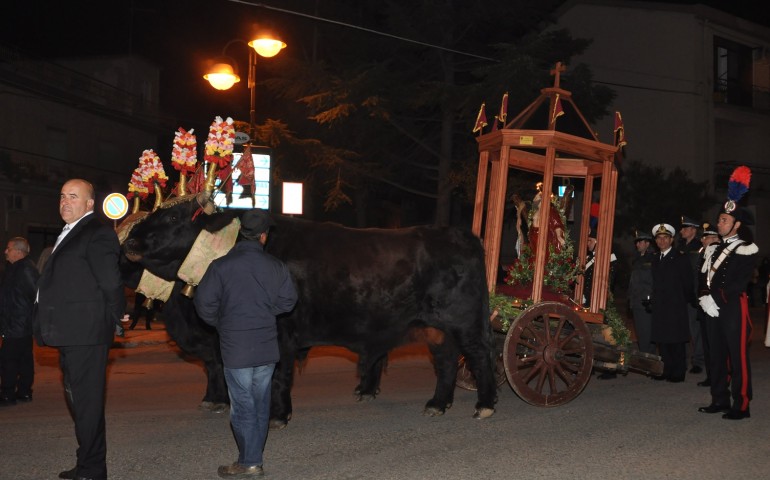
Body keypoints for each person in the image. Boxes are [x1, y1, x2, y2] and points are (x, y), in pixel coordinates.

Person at [194, 209, 298, 478]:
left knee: (242, 405)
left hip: (236, 346)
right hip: (265, 346)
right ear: (263, 236)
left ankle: (249, 461)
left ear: (242, 233)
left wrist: (222, 322)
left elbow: (204, 304)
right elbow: (289, 301)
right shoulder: (276, 266)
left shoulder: (220, 266)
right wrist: (265, 311)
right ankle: (253, 456)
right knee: (260, 402)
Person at [35, 179, 125, 480]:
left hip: (85, 333)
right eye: (62, 196)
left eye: (73, 196)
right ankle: (86, 462)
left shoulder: (96, 233)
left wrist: (117, 315)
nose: (65, 202)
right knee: (79, 401)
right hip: (70, 332)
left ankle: (93, 469)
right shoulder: (70, 233)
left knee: (86, 404)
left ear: (90, 204)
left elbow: (110, 281)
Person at [697, 201, 758, 420]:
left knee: (737, 355)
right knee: (717, 354)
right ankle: (719, 398)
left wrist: (715, 297)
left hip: (732, 306)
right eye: (720, 219)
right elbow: (705, 277)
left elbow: (739, 283)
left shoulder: (745, 248)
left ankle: (742, 405)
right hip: (712, 307)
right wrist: (703, 296)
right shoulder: (714, 248)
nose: (719, 224)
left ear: (737, 224)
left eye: (724, 220)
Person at [650, 223, 694, 383]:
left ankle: (678, 371)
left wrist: (685, 300)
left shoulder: (680, 258)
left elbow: (688, 283)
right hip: (660, 305)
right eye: (659, 238)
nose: (662, 241)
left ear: (672, 239)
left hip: (675, 305)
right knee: (662, 339)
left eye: (665, 238)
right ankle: (666, 369)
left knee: (676, 339)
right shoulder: (655, 259)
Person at [0, 237, 40, 406]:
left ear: (18, 251)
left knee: (8, 360)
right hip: (17, 323)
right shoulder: (15, 268)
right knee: (23, 359)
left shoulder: (24, 270)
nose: (5, 251)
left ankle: (8, 394)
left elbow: (36, 295)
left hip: (18, 324)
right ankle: (23, 392)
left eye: (8, 248)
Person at [583, 228, 617, 379]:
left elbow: (609, 279)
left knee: (608, 335)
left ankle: (611, 368)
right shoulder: (587, 257)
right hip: (588, 301)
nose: (587, 243)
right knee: (590, 334)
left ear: (597, 241)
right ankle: (592, 364)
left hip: (602, 300)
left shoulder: (608, 257)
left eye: (590, 240)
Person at [678, 215, 705, 375]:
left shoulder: (699, 247)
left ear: (693, 230)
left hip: (693, 295)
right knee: (683, 329)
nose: (681, 231)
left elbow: (698, 274)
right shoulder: (680, 246)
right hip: (680, 295)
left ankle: (698, 361)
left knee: (695, 330)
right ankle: (684, 358)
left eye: (685, 228)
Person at [695, 223, 720, 388]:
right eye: (703, 237)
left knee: (716, 343)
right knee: (707, 343)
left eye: (706, 237)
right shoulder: (704, 253)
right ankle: (712, 376)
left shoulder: (718, 253)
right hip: (704, 304)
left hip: (715, 305)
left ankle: (719, 376)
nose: (703, 240)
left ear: (716, 238)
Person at [628, 229, 655, 355]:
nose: (637, 245)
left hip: (646, 302)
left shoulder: (653, 259)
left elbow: (653, 282)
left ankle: (648, 359)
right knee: (640, 332)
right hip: (636, 302)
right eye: (636, 242)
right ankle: (645, 358)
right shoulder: (637, 259)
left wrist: (650, 298)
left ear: (647, 243)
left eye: (640, 242)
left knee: (647, 332)